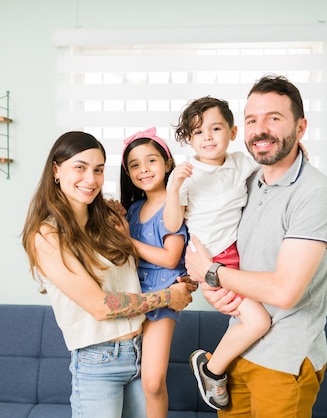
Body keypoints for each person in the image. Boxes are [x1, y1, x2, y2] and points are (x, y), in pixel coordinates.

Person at [184, 74, 327, 418]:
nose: (261, 129)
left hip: (284, 361)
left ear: (301, 127)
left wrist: (212, 273)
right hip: (237, 353)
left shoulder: (314, 193)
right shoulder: (247, 179)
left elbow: (284, 291)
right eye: (252, 120)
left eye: (274, 118)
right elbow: (205, 223)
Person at [21, 131, 195, 418]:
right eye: (80, 167)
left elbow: (154, 256)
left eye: (98, 169)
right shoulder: (48, 235)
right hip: (98, 363)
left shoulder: (112, 217)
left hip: (139, 353)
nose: (91, 179)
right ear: (56, 170)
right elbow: (102, 306)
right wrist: (168, 296)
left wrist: (183, 280)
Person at [162, 97, 272, 410]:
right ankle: (212, 370)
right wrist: (173, 188)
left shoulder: (241, 161)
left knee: (252, 317)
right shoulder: (187, 173)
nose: (207, 137)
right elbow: (173, 223)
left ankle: (217, 368)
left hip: (238, 256)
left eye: (215, 128)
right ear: (189, 139)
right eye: (198, 132)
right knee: (258, 321)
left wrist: (298, 154)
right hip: (210, 259)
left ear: (233, 131)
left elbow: (270, 165)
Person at [119, 127, 189, 418]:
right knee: (132, 376)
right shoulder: (133, 209)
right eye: (135, 165)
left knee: (152, 381)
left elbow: (171, 258)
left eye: (151, 161)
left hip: (163, 297)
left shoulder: (173, 204)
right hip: (133, 296)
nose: (143, 170)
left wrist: (129, 242)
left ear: (167, 163)